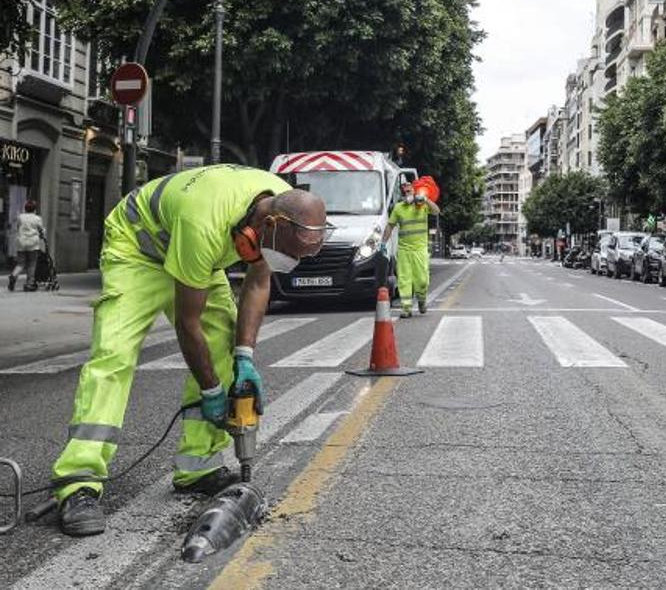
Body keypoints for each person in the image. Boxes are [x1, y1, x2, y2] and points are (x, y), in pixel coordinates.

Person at [52, 164, 331, 537]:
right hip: (137, 248)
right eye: (289, 254)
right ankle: (78, 481)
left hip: (197, 253)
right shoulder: (206, 218)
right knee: (114, 355)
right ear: (270, 226)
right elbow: (188, 323)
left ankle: (197, 466)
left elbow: (259, 282)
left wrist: (244, 357)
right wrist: (213, 391)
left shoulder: (279, 204)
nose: (291, 263)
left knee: (224, 343)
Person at [382, 181, 439, 318]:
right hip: (404, 250)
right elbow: (390, 226)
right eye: (405, 192)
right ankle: (406, 308)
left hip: (420, 249)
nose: (408, 194)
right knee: (404, 279)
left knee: (422, 280)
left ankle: (421, 300)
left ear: (414, 191)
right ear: (402, 194)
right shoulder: (398, 208)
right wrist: (383, 243)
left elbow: (436, 211)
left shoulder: (422, 205)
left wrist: (426, 199)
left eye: (410, 191)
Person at [9, 199, 45, 291]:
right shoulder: (37, 218)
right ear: (34, 209)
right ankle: (29, 285)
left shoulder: (20, 217)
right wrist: (42, 235)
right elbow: (41, 230)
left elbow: (17, 227)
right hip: (33, 243)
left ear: (25, 209)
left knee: (20, 263)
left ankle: (13, 275)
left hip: (21, 243)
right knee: (32, 264)